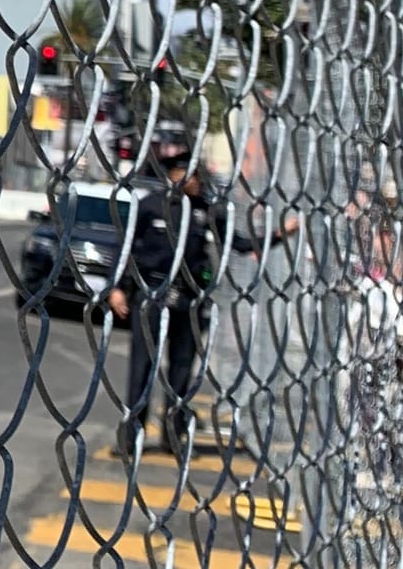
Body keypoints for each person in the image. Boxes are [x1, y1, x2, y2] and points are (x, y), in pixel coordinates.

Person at [107, 149, 298, 458]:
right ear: (174, 175)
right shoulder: (150, 206)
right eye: (189, 174)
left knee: (181, 371)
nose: (196, 181)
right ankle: (130, 438)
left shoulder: (206, 211)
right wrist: (115, 287)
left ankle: (173, 437)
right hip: (151, 294)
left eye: (197, 175)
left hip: (188, 299)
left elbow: (238, 244)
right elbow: (124, 246)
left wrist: (278, 235)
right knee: (141, 369)